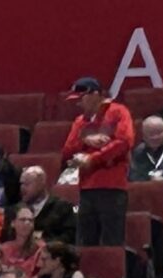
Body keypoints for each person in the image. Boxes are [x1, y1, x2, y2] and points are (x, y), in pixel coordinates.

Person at [62, 75, 133, 247]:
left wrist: (92, 159)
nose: (78, 103)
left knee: (112, 241)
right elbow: (67, 150)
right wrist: (86, 140)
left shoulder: (118, 111)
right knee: (86, 242)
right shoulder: (80, 121)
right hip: (86, 188)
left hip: (112, 186)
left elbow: (124, 142)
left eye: (81, 98)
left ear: (95, 94)